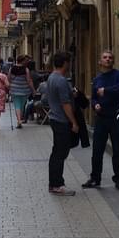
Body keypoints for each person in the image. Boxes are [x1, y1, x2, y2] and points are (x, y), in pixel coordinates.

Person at [83, 48, 119, 189]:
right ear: (100, 61)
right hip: (101, 118)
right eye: (105, 57)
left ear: (113, 61)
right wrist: (95, 105)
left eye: (110, 57)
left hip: (116, 117)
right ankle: (95, 178)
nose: (108, 59)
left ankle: (118, 179)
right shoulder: (97, 80)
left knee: (117, 148)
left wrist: (106, 90)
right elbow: (94, 98)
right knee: (97, 149)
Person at [45, 51, 79, 193]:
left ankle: (54, 183)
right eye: (69, 62)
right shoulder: (61, 80)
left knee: (57, 152)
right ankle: (57, 184)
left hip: (55, 118)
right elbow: (65, 104)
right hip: (61, 120)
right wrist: (74, 122)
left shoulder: (52, 77)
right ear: (65, 63)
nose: (70, 65)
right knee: (60, 153)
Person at [8, 55, 34, 129]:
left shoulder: (11, 68)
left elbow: (9, 78)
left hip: (14, 90)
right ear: (22, 61)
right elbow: (29, 80)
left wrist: (9, 87)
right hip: (24, 90)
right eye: (25, 60)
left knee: (17, 106)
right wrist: (33, 90)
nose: (26, 62)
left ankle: (19, 120)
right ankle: (19, 120)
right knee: (21, 106)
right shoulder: (26, 69)